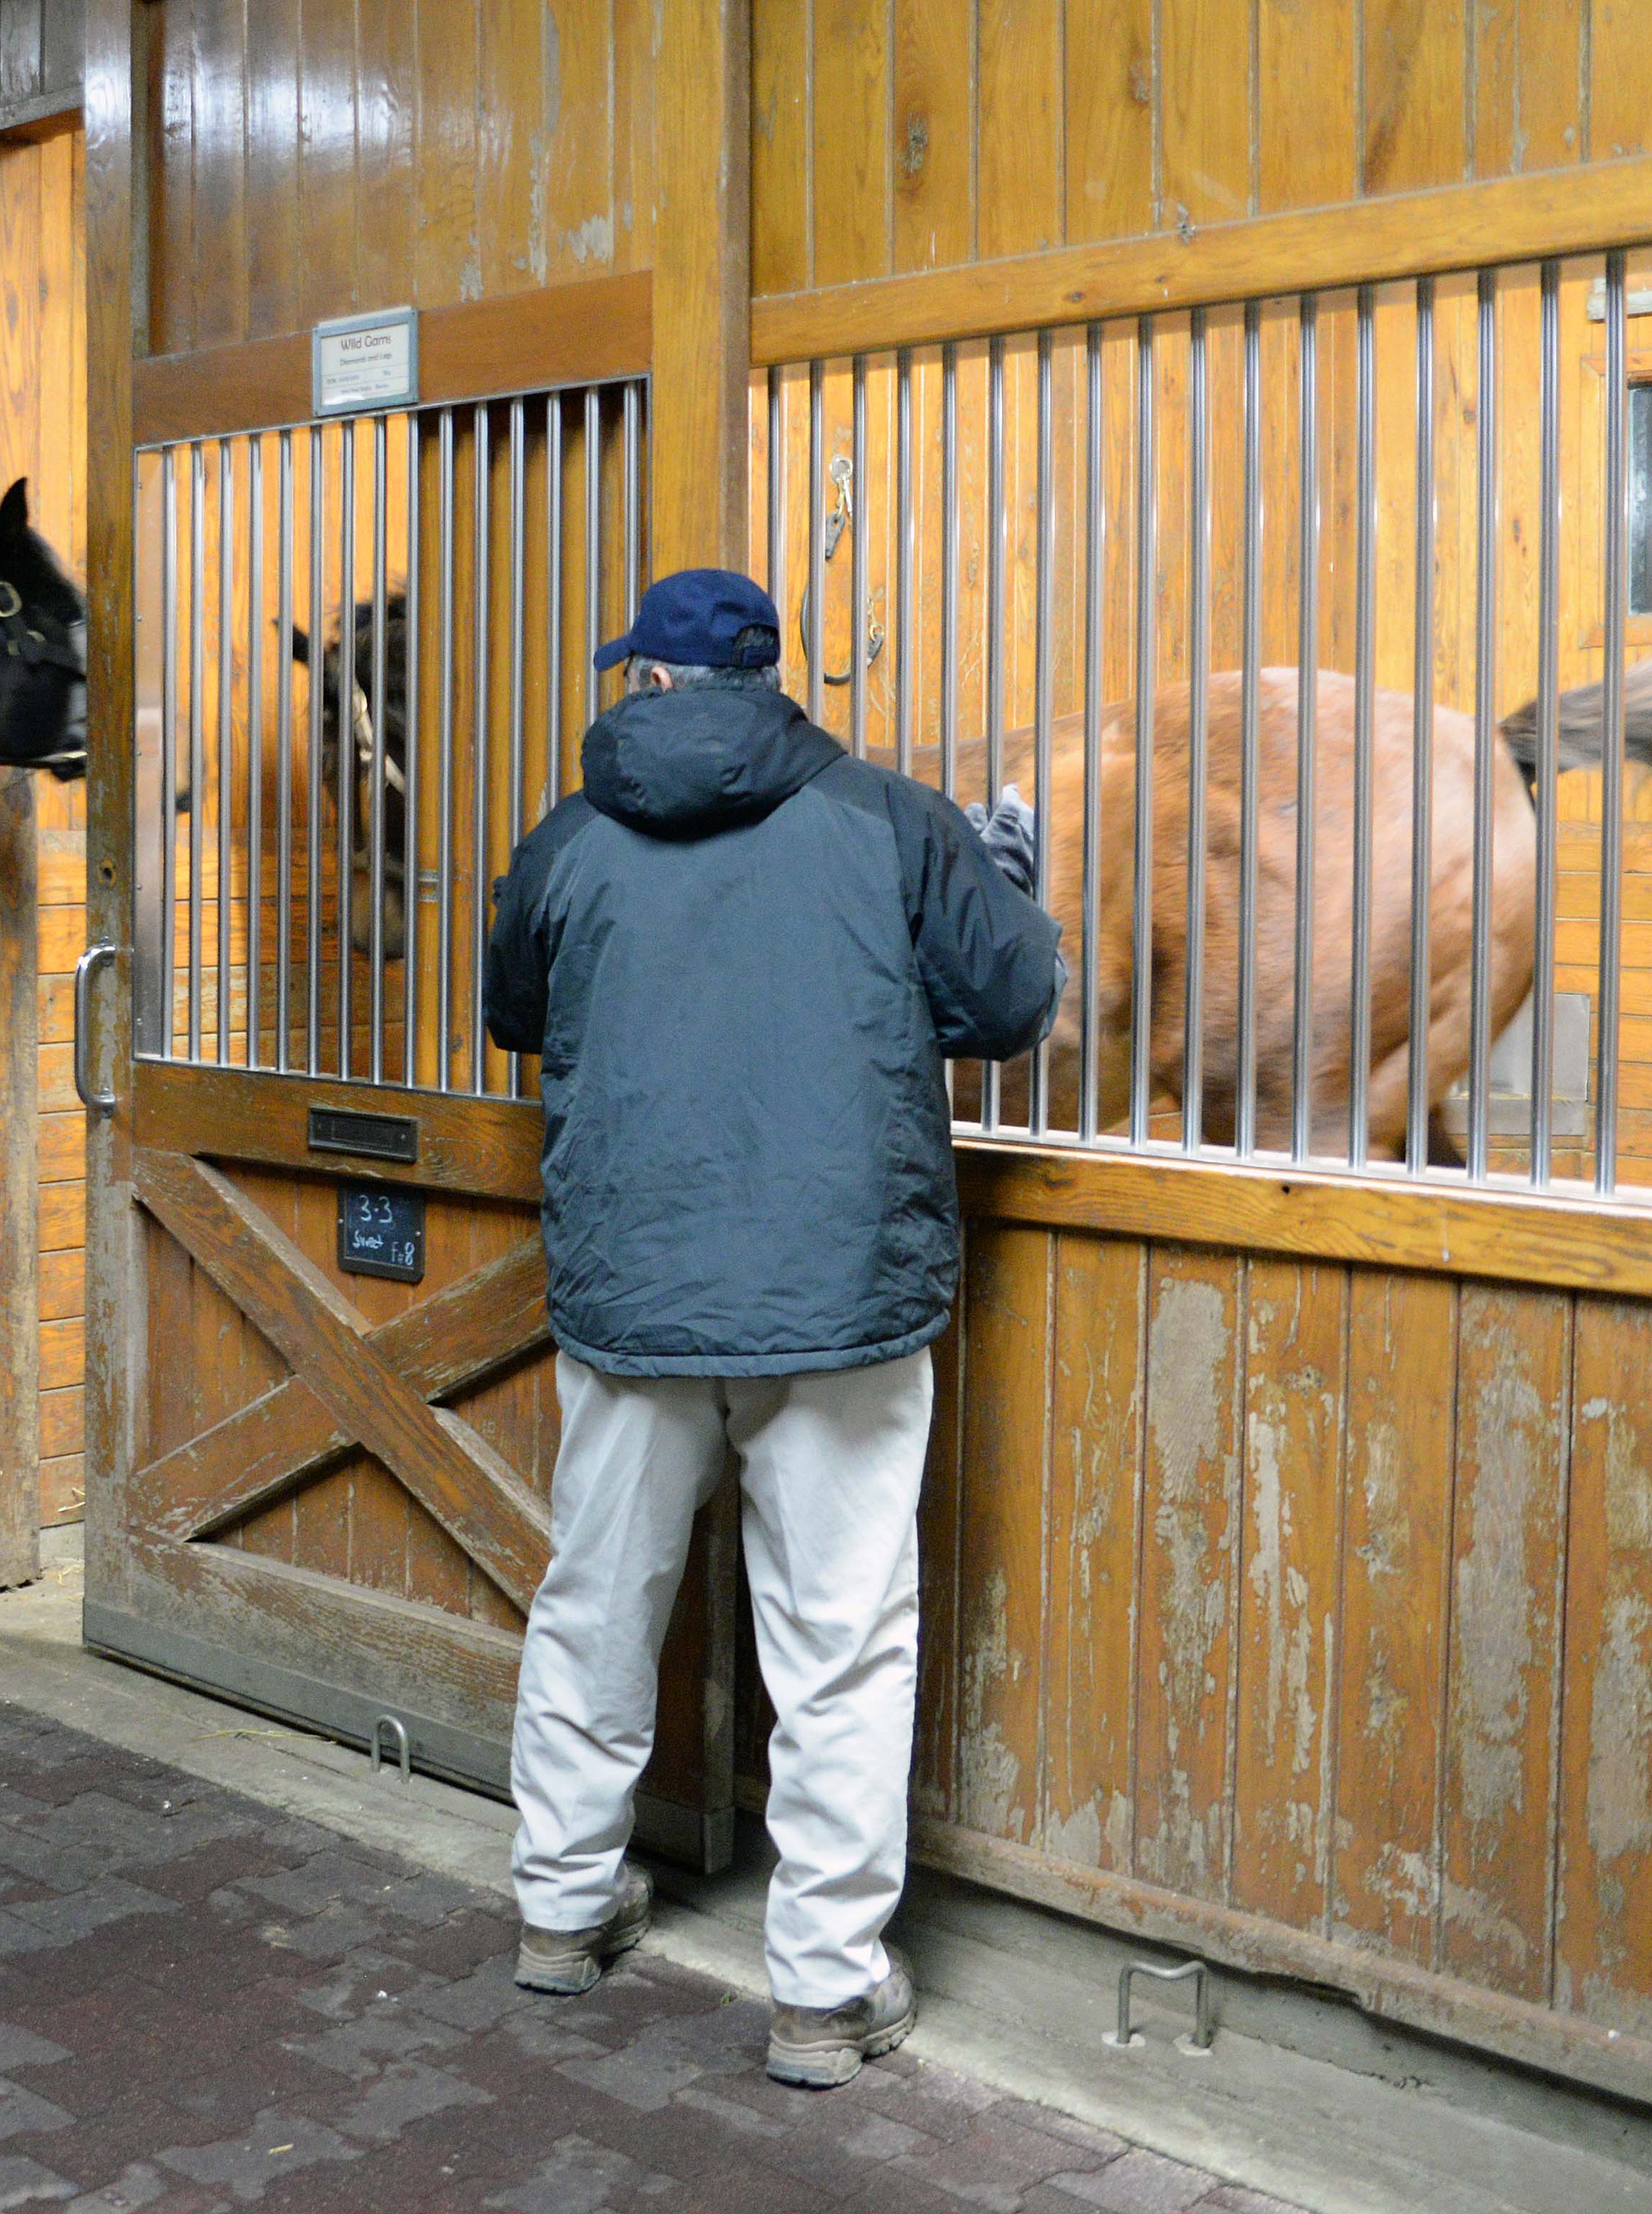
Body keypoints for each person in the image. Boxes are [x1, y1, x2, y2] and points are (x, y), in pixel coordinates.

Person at [482, 568, 1059, 2089]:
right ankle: (820, 1987)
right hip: (840, 1294)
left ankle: (558, 1910)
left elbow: (513, 1007)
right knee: (842, 1642)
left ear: (655, 683)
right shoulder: (892, 818)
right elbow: (1010, 1003)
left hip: (634, 1288)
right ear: (768, 680)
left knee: (600, 1599)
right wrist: (1002, 886)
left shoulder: (568, 833)